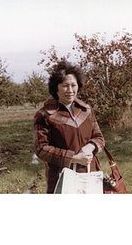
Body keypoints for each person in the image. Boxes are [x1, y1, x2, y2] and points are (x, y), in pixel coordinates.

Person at [33, 60, 105, 193]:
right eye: (65, 85)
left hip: (90, 174)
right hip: (62, 177)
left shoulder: (86, 110)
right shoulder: (44, 115)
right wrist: (74, 158)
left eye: (73, 85)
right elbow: (41, 149)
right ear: (56, 87)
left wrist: (90, 147)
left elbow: (99, 137)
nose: (70, 90)